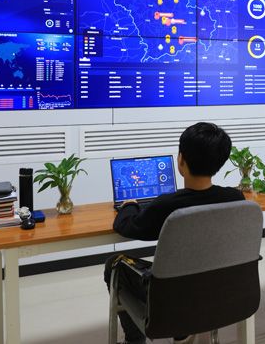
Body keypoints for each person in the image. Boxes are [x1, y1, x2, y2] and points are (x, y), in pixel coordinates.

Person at [104, 122, 245, 344]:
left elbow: (126, 226)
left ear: (181, 161)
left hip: (170, 298)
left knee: (114, 263)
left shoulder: (167, 205)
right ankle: (187, 326)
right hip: (221, 290)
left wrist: (129, 206)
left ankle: (135, 339)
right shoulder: (235, 199)